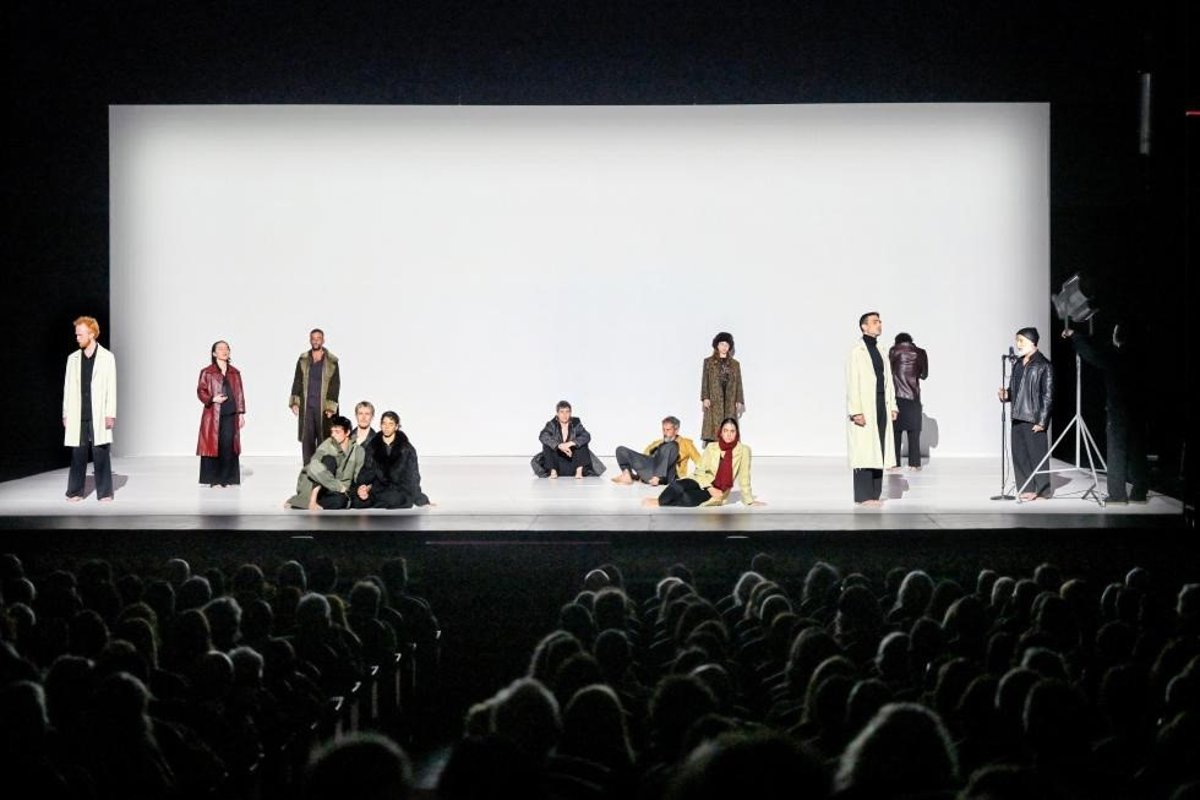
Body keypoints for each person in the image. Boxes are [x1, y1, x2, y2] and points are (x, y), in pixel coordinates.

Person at [1062, 324, 1147, 504]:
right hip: (1138, 410)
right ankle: (1140, 493)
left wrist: (1074, 336)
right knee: (1137, 451)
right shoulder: (1140, 357)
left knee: (1116, 451)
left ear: (1117, 337)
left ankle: (1117, 495)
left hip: (1118, 411)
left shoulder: (1115, 356)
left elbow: (1091, 354)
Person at [642, 417, 765, 508]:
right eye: (725, 430)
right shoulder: (712, 447)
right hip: (701, 480)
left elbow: (744, 477)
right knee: (677, 485)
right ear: (721, 432)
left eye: (732, 431)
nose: (728, 434)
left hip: (719, 490)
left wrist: (749, 501)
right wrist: (709, 487)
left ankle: (663, 502)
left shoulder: (744, 450)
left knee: (689, 498)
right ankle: (660, 501)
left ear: (737, 433)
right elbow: (700, 470)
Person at [62, 316, 117, 502]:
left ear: (91, 334)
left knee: (101, 452)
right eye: (76, 334)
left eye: (80, 334)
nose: (77, 337)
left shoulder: (107, 357)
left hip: (99, 413)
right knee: (78, 453)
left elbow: (111, 387)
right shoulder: (73, 359)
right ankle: (75, 492)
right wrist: (66, 413)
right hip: (78, 413)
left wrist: (110, 413)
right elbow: (67, 388)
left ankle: (105, 492)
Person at [847, 312, 899, 505]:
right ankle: (863, 496)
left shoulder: (881, 349)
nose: (879, 324)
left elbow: (888, 381)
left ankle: (875, 494)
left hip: (881, 403)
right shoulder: (856, 351)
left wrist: (893, 405)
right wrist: (856, 411)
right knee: (864, 450)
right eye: (875, 322)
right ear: (864, 326)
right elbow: (852, 383)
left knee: (879, 447)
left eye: (880, 321)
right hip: (865, 406)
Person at [997, 326, 1053, 501]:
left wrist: (1042, 421)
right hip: (1017, 416)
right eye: (1017, 340)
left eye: (1021, 340)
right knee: (1019, 455)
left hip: (1033, 417)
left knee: (1037, 455)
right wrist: (1006, 395)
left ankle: (1043, 491)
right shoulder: (1018, 364)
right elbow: (1016, 390)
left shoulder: (1043, 365)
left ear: (1032, 341)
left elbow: (1048, 395)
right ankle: (1027, 488)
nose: (1018, 344)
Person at [352, 411, 432, 509]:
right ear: (380, 425)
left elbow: (412, 475)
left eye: (391, 424)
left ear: (396, 427)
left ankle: (384, 501)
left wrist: (421, 499)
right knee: (358, 502)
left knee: (395, 499)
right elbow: (367, 469)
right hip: (378, 488)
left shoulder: (406, 448)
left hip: (398, 488)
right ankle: (380, 501)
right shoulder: (373, 446)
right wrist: (363, 486)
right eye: (384, 423)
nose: (387, 427)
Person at [284, 415, 362, 510]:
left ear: (347, 432)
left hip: (336, 491)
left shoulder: (358, 450)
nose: (333, 435)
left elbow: (358, 476)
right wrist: (338, 486)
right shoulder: (327, 445)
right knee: (329, 460)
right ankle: (311, 500)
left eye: (337, 432)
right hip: (316, 486)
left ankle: (305, 503)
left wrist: (358, 490)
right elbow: (314, 466)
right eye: (332, 431)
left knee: (341, 501)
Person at [196, 340, 246, 487]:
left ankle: (226, 479)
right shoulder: (207, 372)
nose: (224, 351)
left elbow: (239, 394)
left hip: (231, 413)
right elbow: (201, 391)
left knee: (228, 445)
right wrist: (212, 399)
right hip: (213, 414)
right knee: (213, 445)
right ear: (214, 353)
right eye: (220, 348)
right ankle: (213, 479)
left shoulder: (235, 372)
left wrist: (241, 414)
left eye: (226, 348)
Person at [289, 328, 341, 465]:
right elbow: (297, 380)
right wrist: (295, 402)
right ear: (310, 340)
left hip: (323, 409)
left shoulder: (332, 361)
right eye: (313, 338)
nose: (316, 341)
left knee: (325, 440)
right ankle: (308, 471)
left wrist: (330, 406)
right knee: (307, 441)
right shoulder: (303, 360)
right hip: (307, 408)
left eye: (318, 338)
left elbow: (335, 384)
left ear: (323, 340)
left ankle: (323, 471)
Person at [612, 415, 702, 486]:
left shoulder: (686, 443)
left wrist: (698, 479)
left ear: (676, 430)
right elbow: (645, 458)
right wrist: (639, 475)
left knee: (672, 445)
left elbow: (700, 462)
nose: (665, 432)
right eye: (663, 429)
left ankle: (657, 477)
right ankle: (627, 474)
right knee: (621, 450)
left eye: (668, 430)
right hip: (651, 470)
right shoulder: (657, 443)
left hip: (668, 475)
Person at [531, 401, 606, 479]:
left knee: (582, 443)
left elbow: (586, 436)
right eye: (562, 412)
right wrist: (559, 445)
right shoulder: (552, 424)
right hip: (557, 464)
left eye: (567, 412)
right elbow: (543, 436)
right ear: (557, 413)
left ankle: (579, 472)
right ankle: (553, 472)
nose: (565, 415)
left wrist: (570, 443)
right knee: (547, 445)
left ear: (570, 413)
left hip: (573, 462)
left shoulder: (576, 423)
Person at [888, 332, 929, 470]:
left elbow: (887, 372)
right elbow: (924, 375)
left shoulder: (894, 351)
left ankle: (894, 463)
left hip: (897, 396)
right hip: (914, 397)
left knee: (895, 433)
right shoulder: (921, 352)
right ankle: (914, 464)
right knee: (914, 432)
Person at [700, 332, 745, 445]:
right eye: (722, 344)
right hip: (714, 398)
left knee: (729, 423)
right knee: (713, 425)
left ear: (729, 347)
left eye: (726, 345)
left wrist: (739, 400)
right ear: (717, 345)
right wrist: (705, 397)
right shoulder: (709, 362)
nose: (724, 347)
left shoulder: (735, 364)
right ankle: (714, 447)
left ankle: (729, 446)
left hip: (730, 397)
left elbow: (739, 382)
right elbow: (705, 381)